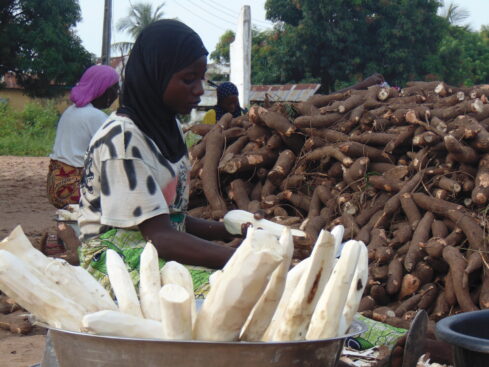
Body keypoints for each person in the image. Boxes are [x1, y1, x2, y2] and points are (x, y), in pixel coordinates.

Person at [77, 20, 237, 296]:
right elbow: (160, 235)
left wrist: (236, 232)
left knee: (239, 280)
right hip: (112, 261)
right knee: (224, 289)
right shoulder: (123, 139)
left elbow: (173, 221)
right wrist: (240, 259)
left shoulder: (168, 127)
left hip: (149, 248)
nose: (199, 89)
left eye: (201, 78)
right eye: (188, 79)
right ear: (155, 75)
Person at [47, 65, 120, 209]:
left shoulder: (71, 110)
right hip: (75, 187)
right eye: (115, 89)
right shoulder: (95, 116)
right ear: (103, 89)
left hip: (55, 183)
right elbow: (115, 152)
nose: (116, 94)